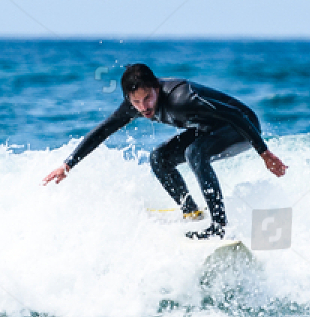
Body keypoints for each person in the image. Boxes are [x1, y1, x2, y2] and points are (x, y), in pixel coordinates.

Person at [42, 64, 287, 239]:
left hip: (242, 126)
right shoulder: (134, 106)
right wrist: (68, 164)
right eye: (136, 102)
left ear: (156, 87)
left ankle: (218, 225)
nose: (144, 108)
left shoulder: (182, 98)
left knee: (195, 153)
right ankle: (191, 211)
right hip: (208, 128)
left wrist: (264, 153)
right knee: (159, 158)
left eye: (148, 98)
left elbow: (236, 115)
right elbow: (103, 130)